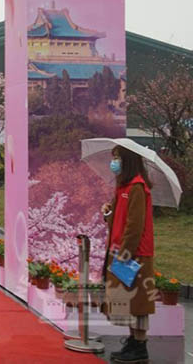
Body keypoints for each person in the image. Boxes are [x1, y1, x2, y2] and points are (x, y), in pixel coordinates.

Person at [101, 146, 156, 363]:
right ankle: (133, 342)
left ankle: (140, 346)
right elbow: (119, 220)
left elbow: (135, 226)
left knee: (138, 302)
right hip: (121, 251)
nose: (114, 162)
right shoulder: (122, 187)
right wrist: (108, 212)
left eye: (117, 158)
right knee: (128, 301)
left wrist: (125, 255)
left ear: (128, 161)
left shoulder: (137, 188)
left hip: (135, 255)